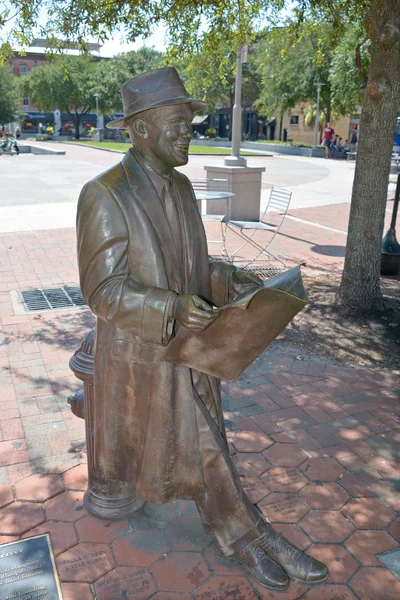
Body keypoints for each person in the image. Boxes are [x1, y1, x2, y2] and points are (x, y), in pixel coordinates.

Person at [76, 67, 327, 591]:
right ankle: (249, 535)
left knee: (207, 438)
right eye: (176, 121)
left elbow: (191, 262)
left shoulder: (184, 186)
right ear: (140, 128)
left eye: (188, 121)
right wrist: (169, 307)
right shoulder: (104, 194)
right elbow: (102, 291)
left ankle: (245, 531)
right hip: (146, 353)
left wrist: (227, 278)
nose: (188, 131)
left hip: (195, 345)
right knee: (209, 445)